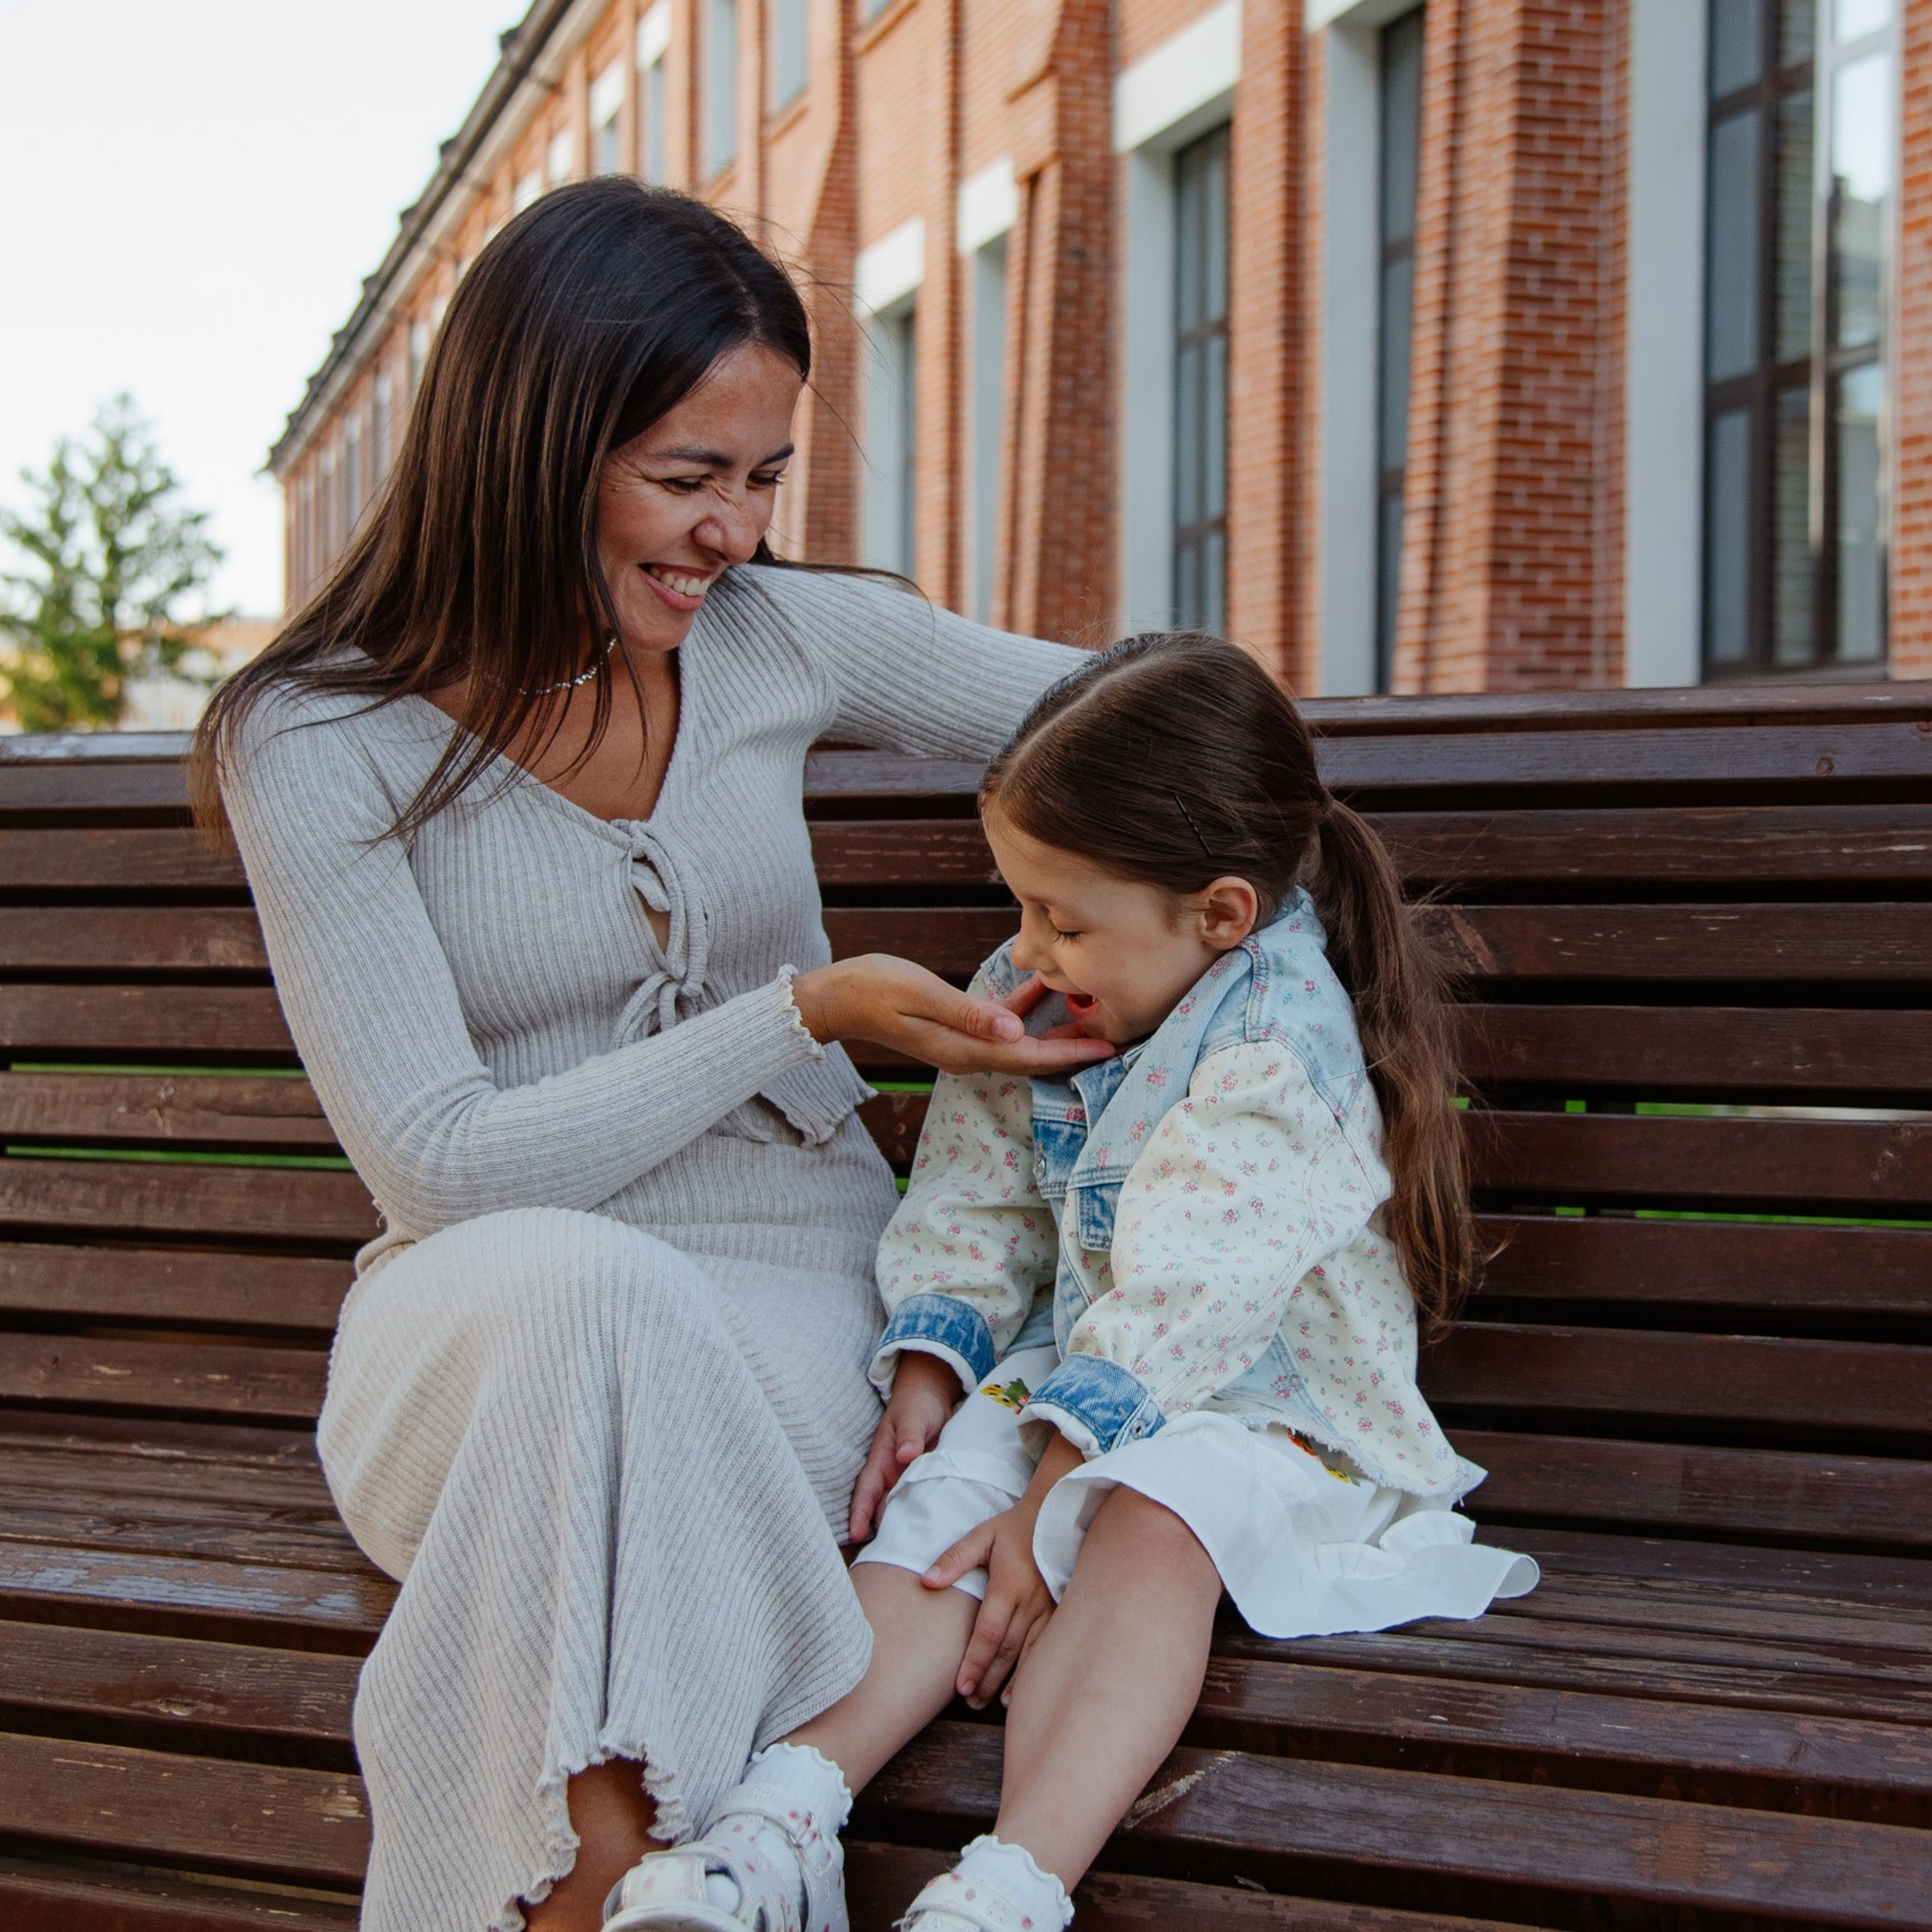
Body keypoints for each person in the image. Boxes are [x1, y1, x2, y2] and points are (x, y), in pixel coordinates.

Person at [191, 178, 1117, 1932]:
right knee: (585, 1296)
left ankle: (613, 1898)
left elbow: (1144, 704)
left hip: (797, 1333)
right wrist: (796, 1014)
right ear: (530, 450)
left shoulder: (780, 635)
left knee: (608, 1441)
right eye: (688, 479)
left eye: (765, 478)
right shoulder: (319, 736)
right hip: (479, 1333)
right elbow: (439, 1165)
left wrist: (1147, 937)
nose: (736, 537)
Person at [605, 632, 1537, 1932]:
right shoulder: (1042, 986)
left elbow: (1193, 1302)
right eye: (1023, 905)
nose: (1031, 949)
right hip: (1086, 1369)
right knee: (943, 1497)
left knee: (1144, 1516)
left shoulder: (1280, 1044)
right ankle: (780, 1824)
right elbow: (977, 1193)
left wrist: (1056, 1498)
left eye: (1064, 916)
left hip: (1271, 1414)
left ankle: (1008, 1889)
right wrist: (936, 1364)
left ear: (1219, 914)